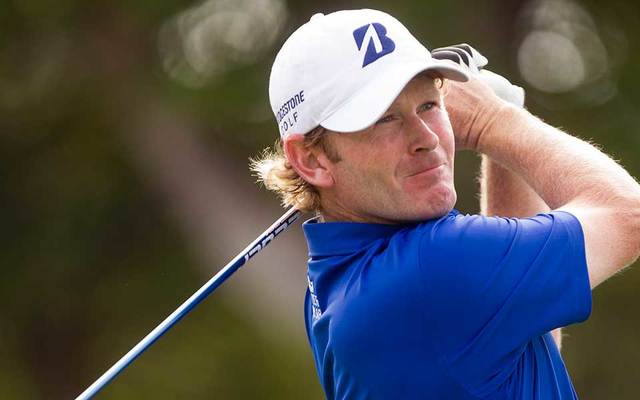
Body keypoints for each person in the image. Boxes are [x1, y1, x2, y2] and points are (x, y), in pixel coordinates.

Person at [252, 9, 640, 400]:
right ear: (311, 159)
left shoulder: (327, 286)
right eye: (384, 119)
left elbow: (513, 337)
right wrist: (493, 121)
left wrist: (503, 141)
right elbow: (628, 215)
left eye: (429, 106)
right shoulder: (433, 264)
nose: (426, 138)